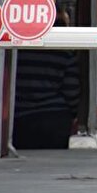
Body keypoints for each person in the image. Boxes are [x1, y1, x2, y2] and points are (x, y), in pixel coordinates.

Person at [13, 9, 79, 149]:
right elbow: (71, 90)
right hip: (54, 117)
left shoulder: (18, 51)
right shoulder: (65, 54)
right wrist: (75, 114)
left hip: (20, 116)